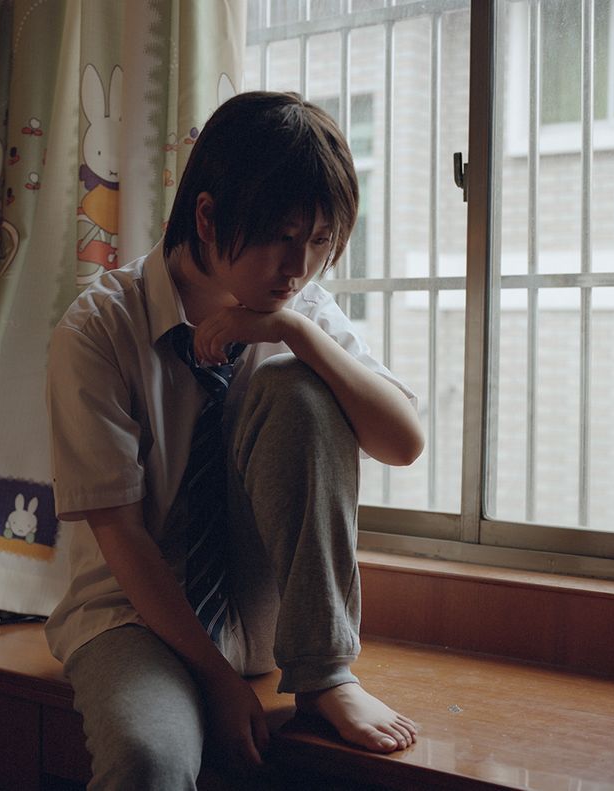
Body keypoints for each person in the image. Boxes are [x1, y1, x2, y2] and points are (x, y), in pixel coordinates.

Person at [45, 91, 424, 790]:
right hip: (135, 618)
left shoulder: (296, 308)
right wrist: (217, 681)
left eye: (319, 242)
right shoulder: (98, 330)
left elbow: (403, 441)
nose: (299, 265)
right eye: (283, 235)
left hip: (267, 621)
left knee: (301, 384)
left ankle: (326, 671)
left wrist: (297, 334)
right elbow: (121, 536)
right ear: (208, 215)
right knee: (148, 759)